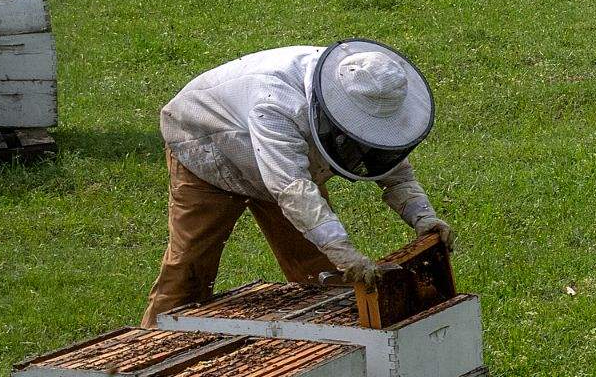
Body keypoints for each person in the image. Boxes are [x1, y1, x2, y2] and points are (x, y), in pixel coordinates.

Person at [147, 41, 446, 323]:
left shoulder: (364, 86)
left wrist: (422, 216)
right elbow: (292, 189)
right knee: (187, 273)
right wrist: (344, 251)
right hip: (204, 145)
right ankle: (143, 358)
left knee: (322, 276)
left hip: (284, 165)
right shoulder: (277, 104)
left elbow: (388, 160)